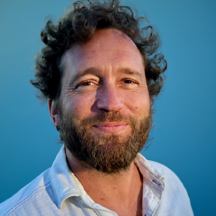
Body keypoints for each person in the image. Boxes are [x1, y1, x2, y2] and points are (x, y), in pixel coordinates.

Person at [0, 0, 194, 215]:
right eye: (86, 83)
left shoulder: (172, 189)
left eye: (128, 81)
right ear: (55, 111)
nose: (111, 103)